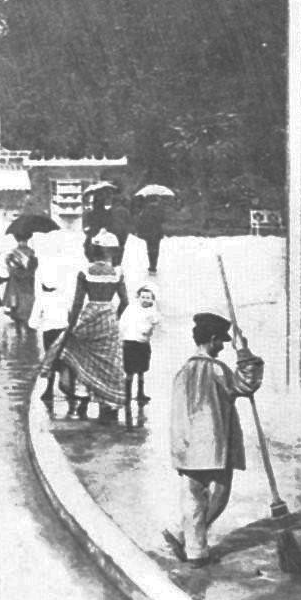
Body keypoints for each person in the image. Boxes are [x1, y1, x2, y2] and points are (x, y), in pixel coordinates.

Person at [162, 313, 265, 567]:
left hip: (188, 446)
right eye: (221, 341)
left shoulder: (183, 370)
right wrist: (243, 351)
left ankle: (187, 539)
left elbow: (176, 413)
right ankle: (194, 550)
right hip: (215, 446)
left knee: (194, 497)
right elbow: (247, 384)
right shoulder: (218, 370)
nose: (223, 346)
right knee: (219, 495)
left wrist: (179, 448)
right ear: (212, 339)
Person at [56, 232, 129, 419]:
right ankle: (108, 405)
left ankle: (83, 400)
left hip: (89, 316)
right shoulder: (117, 273)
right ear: (111, 251)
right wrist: (115, 318)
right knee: (110, 363)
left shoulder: (85, 272)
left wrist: (71, 328)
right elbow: (125, 302)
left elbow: (77, 303)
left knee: (82, 357)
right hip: (109, 318)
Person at [30, 272, 76, 405]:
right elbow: (71, 314)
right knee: (66, 360)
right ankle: (70, 389)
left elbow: (32, 322)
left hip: (49, 333)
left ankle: (49, 390)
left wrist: (39, 324)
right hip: (64, 332)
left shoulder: (41, 299)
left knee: (51, 360)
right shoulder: (64, 297)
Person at [119, 284, 164, 407]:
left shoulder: (152, 311)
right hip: (129, 342)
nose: (145, 300)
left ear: (153, 299)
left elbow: (157, 321)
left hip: (143, 343)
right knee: (129, 370)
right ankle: (127, 393)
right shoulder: (131, 309)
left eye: (148, 297)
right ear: (138, 297)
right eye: (143, 297)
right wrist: (122, 336)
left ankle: (140, 392)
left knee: (142, 369)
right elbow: (123, 322)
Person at [3, 233, 38, 329]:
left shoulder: (31, 252)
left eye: (25, 241)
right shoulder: (14, 252)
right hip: (15, 278)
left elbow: (33, 267)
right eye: (21, 241)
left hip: (27, 279)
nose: (23, 243)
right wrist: (9, 264)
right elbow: (8, 264)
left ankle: (26, 316)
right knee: (14, 297)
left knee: (27, 297)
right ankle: (15, 315)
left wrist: (33, 262)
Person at [134, 202, 166, 275]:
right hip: (157, 234)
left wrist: (139, 232)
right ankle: (153, 267)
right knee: (156, 251)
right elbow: (163, 220)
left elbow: (140, 223)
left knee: (150, 250)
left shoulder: (144, 212)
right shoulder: (159, 212)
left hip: (148, 234)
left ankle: (151, 266)